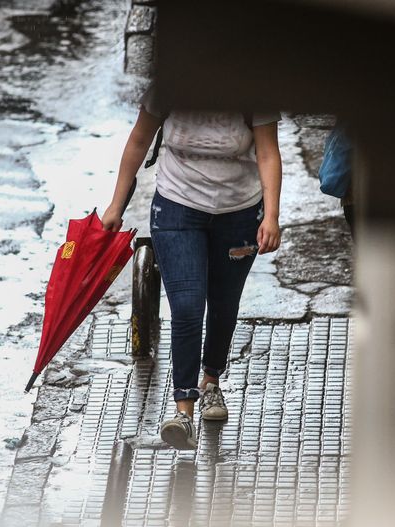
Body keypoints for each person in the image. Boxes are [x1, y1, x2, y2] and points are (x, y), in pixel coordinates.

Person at [102, 87, 283, 450]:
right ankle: (183, 410)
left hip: (240, 213)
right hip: (177, 208)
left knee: (223, 303)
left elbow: (267, 152)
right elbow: (138, 141)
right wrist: (115, 206)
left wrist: (273, 216)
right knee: (186, 305)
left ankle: (211, 380)